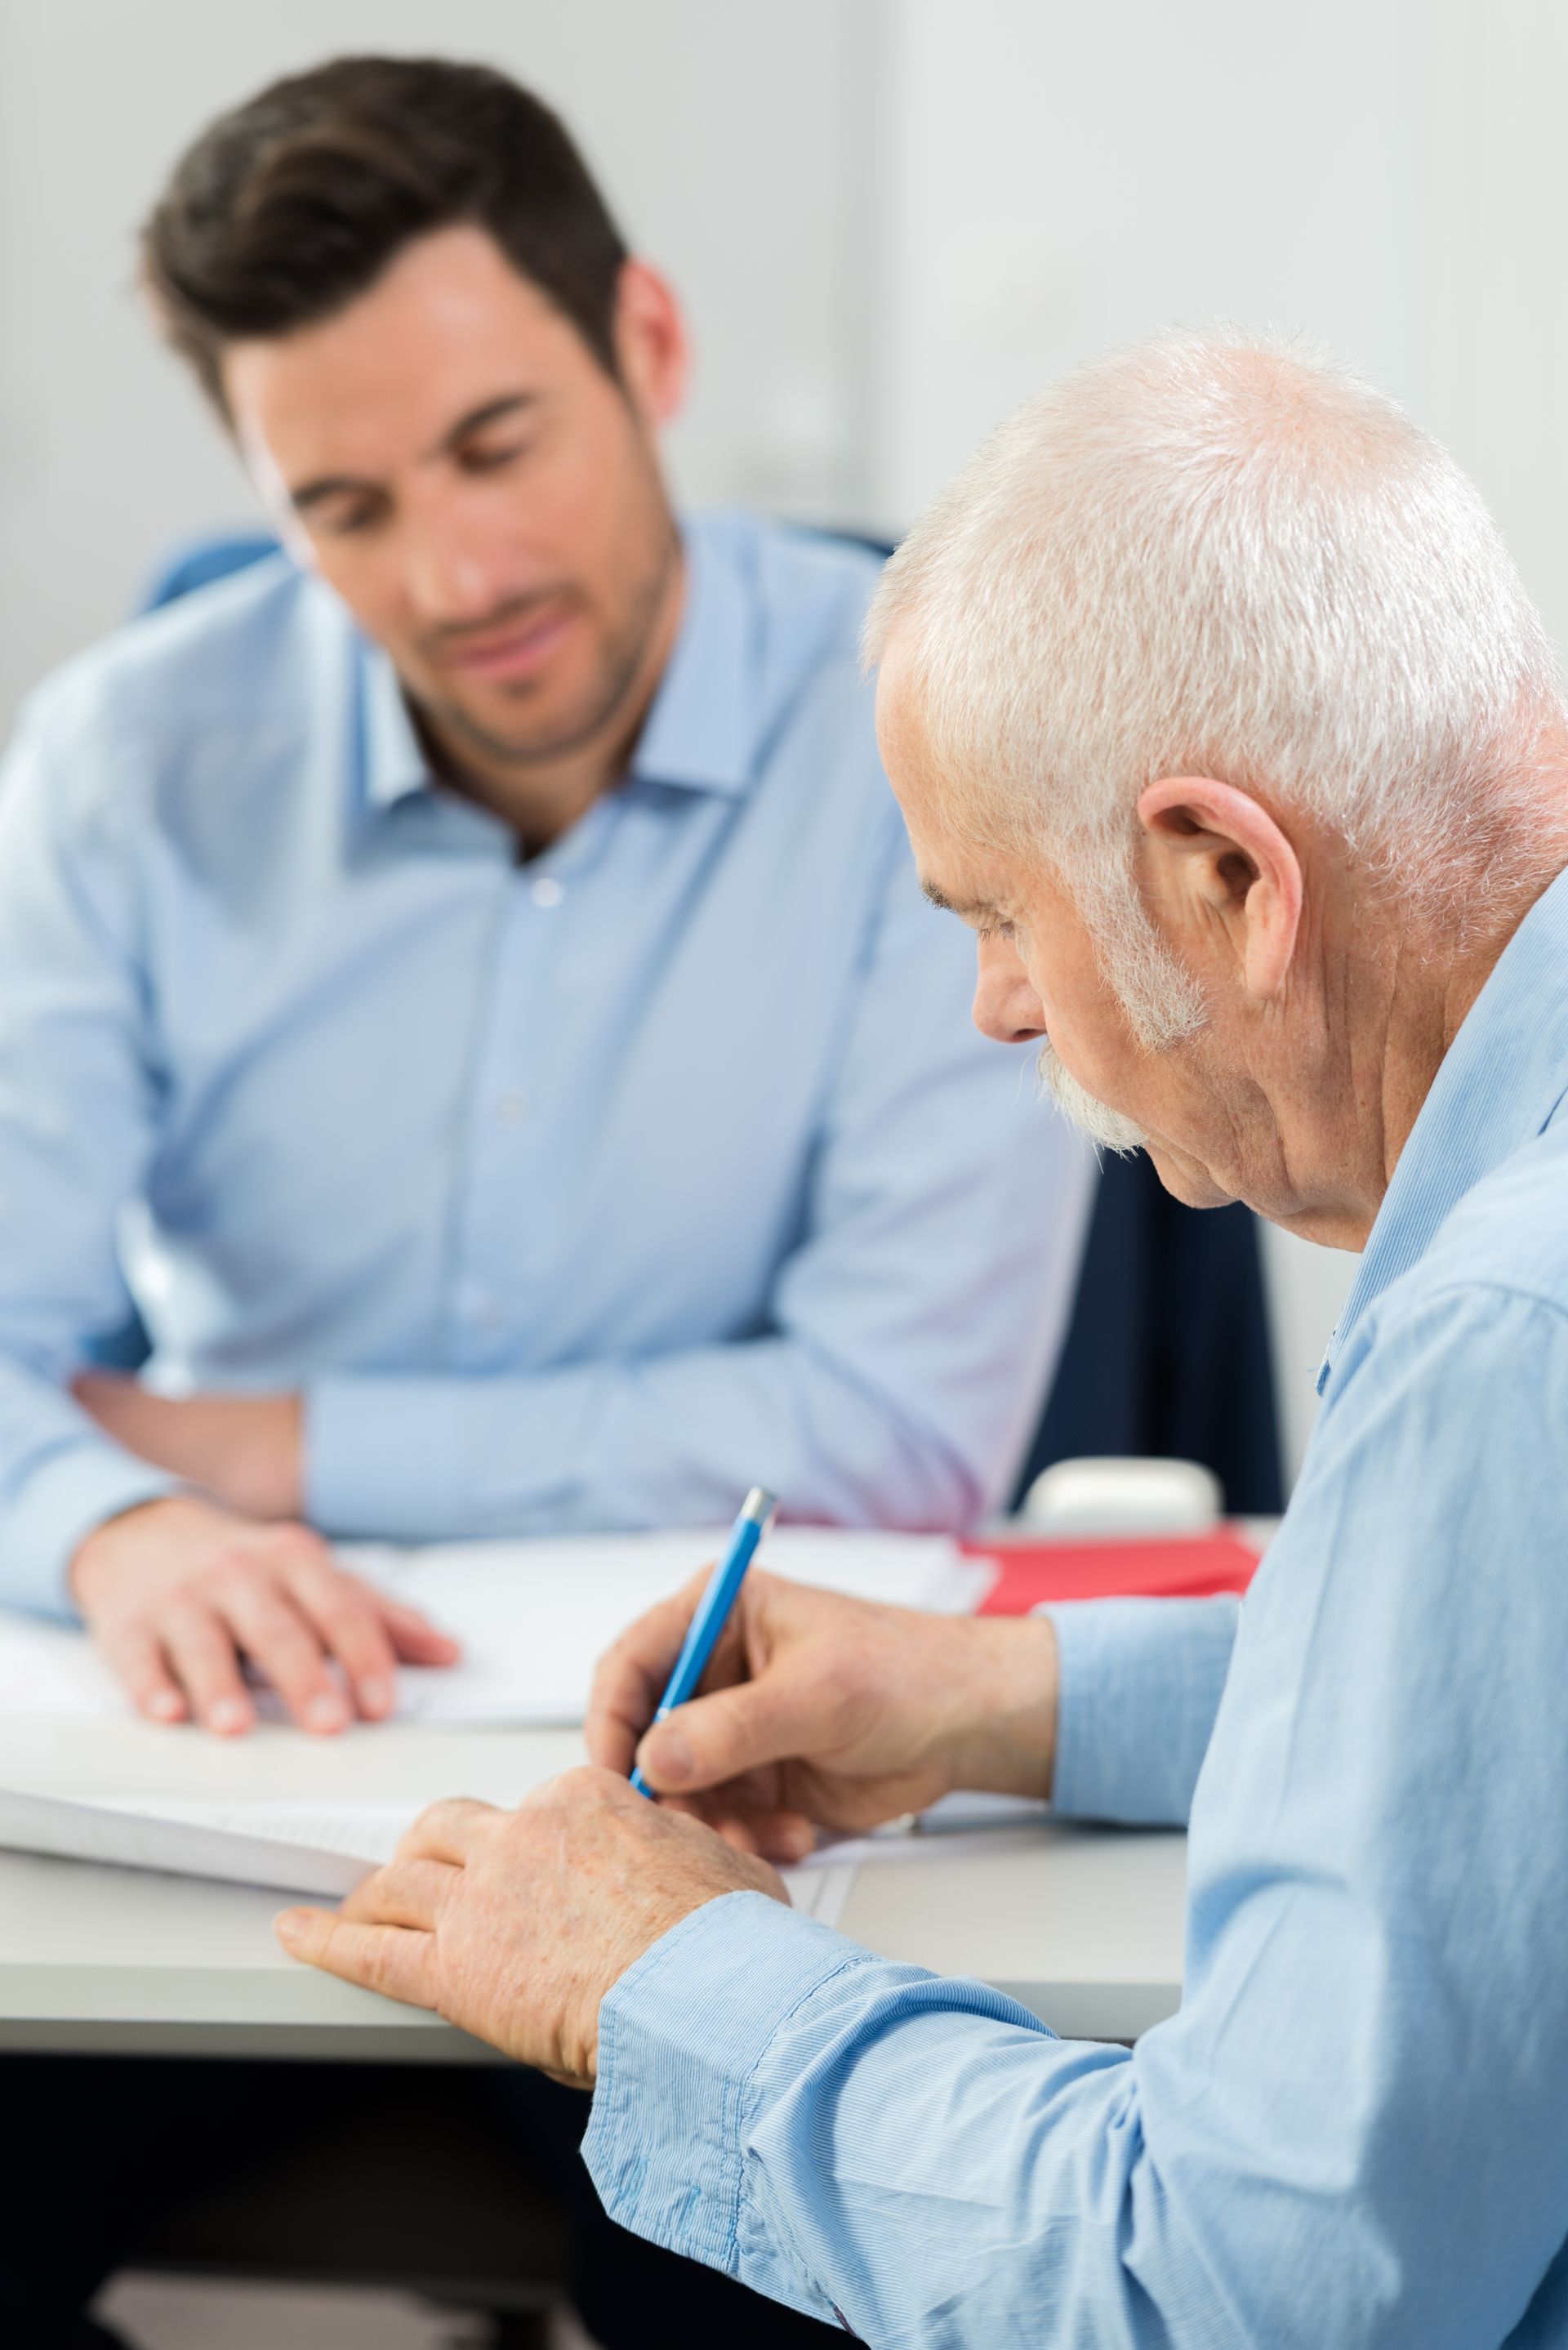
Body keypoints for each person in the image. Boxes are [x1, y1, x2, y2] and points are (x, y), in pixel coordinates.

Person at [286, 331, 1568, 2348]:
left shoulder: (1512, 1335)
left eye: (993, 916)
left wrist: (670, 1968)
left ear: (1223, 876)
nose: (990, 1010)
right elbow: (1497, 1704)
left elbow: (1246, 2293)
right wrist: (1009, 1695)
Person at [0, 56, 1086, 1735]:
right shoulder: (121, 765)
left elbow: (900, 1420)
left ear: (647, 345)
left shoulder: (924, 732)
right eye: (344, 511)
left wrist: (264, 1444)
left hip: (763, 1719)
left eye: (496, 448)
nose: (457, 579)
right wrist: (119, 1521)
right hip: (245, 1710)